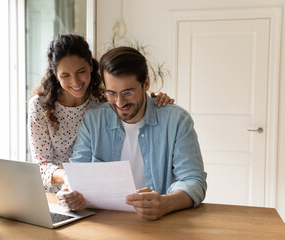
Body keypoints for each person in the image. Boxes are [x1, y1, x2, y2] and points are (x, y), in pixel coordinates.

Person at [56, 46, 207, 220]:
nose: (120, 102)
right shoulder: (93, 121)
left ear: (146, 83)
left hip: (158, 225)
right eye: (111, 93)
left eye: (128, 92)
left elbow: (193, 181)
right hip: (105, 223)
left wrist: (166, 203)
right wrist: (67, 195)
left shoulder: (177, 121)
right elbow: (77, 175)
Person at [28, 34, 174, 193]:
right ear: (56, 74)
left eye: (81, 71)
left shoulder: (102, 100)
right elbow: (41, 165)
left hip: (91, 193)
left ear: (90, 65)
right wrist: (68, 177)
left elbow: (131, 99)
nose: (75, 82)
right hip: (56, 194)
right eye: (65, 75)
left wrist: (155, 100)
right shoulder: (40, 106)